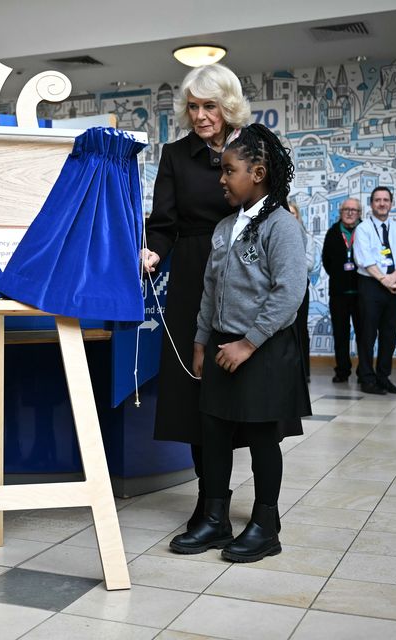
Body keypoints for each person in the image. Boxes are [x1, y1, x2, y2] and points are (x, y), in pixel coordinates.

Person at [169, 124, 310, 563]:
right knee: (212, 433)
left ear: (259, 172)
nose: (222, 179)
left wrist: (247, 344)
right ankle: (215, 519)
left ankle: (266, 525)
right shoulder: (226, 226)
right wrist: (200, 340)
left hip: (261, 350)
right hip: (221, 347)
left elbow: (289, 292)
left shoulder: (281, 225)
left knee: (263, 438)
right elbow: (211, 289)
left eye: (230, 171)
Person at [142, 64, 251, 531]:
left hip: (243, 271)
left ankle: (243, 504)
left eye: (210, 105)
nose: (202, 115)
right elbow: (163, 222)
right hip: (190, 272)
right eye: (194, 106)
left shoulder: (256, 145)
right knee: (195, 390)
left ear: (227, 106)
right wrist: (152, 251)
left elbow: (269, 212)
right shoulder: (175, 154)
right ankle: (210, 502)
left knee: (238, 387)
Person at [353, 187, 396, 395]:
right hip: (371, 285)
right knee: (368, 335)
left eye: (385, 200)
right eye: (377, 200)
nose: (382, 203)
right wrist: (385, 281)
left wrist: (393, 279)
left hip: (395, 284)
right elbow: (364, 259)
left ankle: (383, 377)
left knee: (389, 335)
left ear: (391, 203)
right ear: (371, 204)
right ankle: (367, 379)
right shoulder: (363, 229)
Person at [322, 198, 363, 383]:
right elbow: (326, 261)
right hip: (338, 293)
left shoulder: (366, 230)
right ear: (340, 211)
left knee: (365, 334)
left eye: (353, 210)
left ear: (359, 212)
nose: (349, 212)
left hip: (363, 292)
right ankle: (342, 371)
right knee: (340, 334)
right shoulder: (332, 232)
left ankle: (365, 372)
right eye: (346, 209)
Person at [289, 201, 313, 380]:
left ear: (298, 217)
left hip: (299, 288)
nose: (290, 217)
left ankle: (304, 372)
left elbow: (310, 263)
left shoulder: (306, 237)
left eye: (293, 214)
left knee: (300, 329)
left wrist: (286, 264)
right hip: (277, 288)